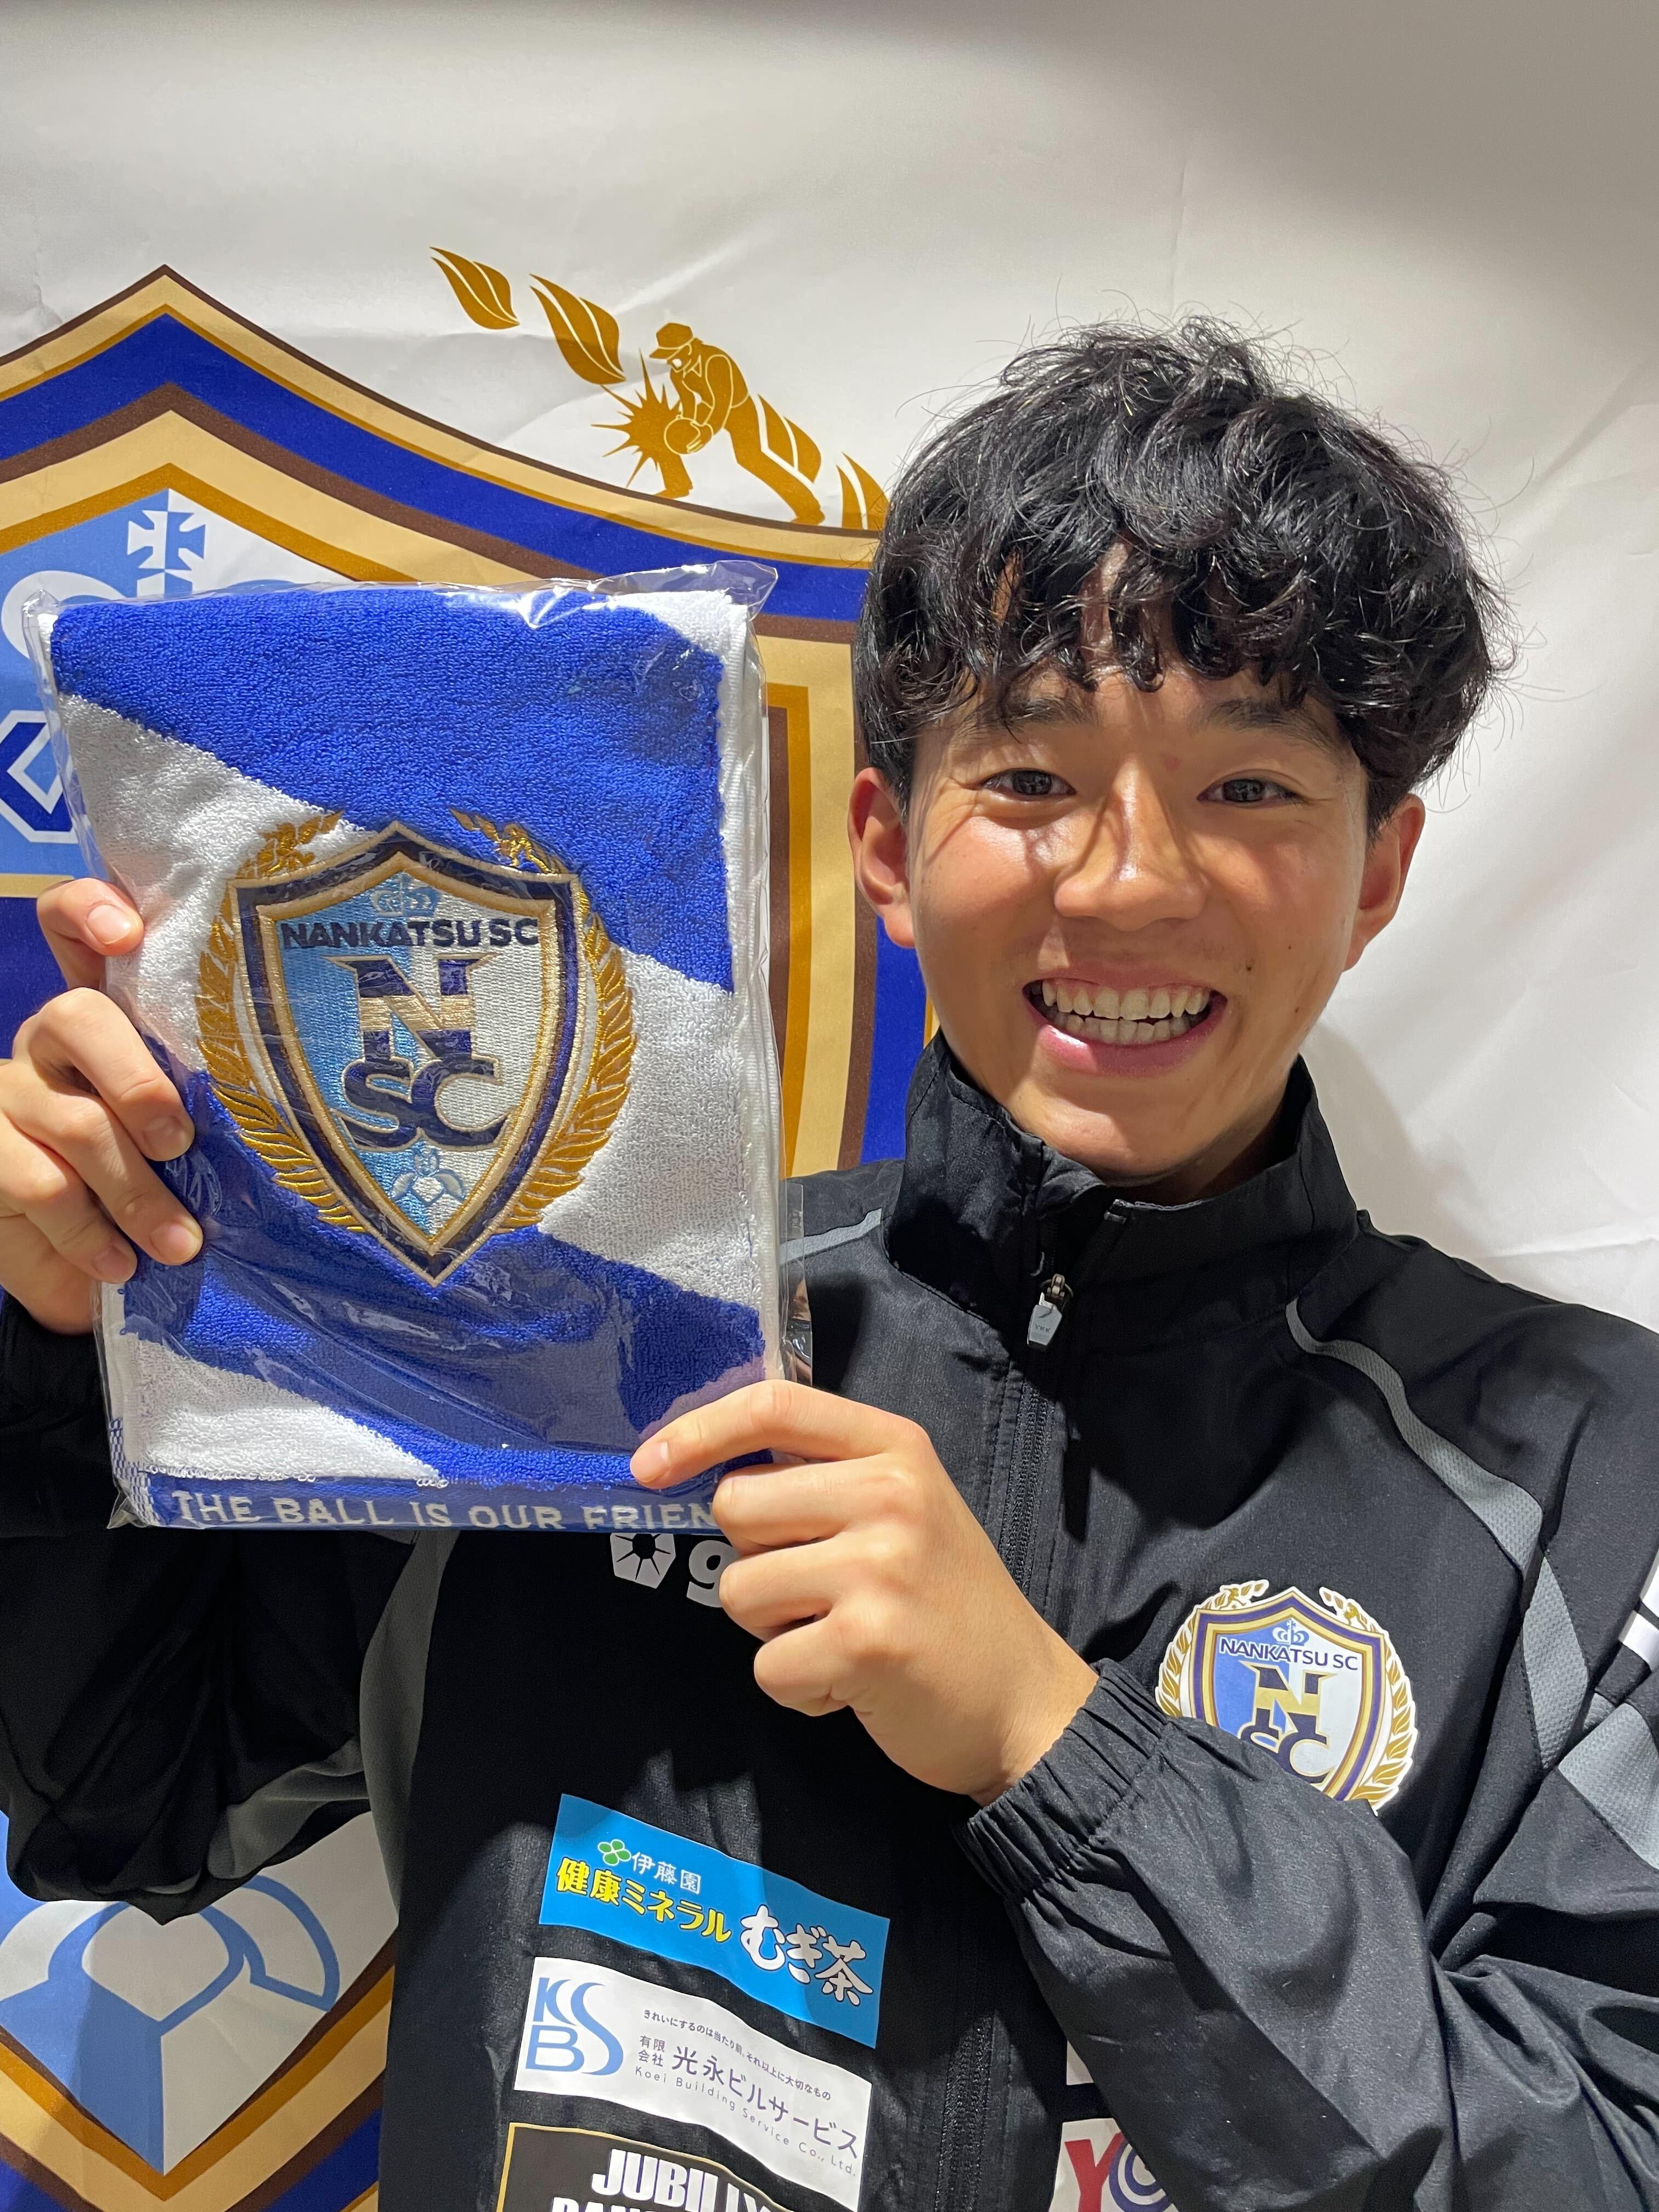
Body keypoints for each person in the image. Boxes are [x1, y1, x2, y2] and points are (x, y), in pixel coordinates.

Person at [2, 319, 1657, 2212]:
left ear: (1379, 871)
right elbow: (132, 1805)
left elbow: (1601, 2164)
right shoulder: (564, 1322)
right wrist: (54, 1341)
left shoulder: (1582, 1468)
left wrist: (1052, 1745)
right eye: (1029, 777)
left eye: (1251, 789)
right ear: (887, 843)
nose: (1130, 880)